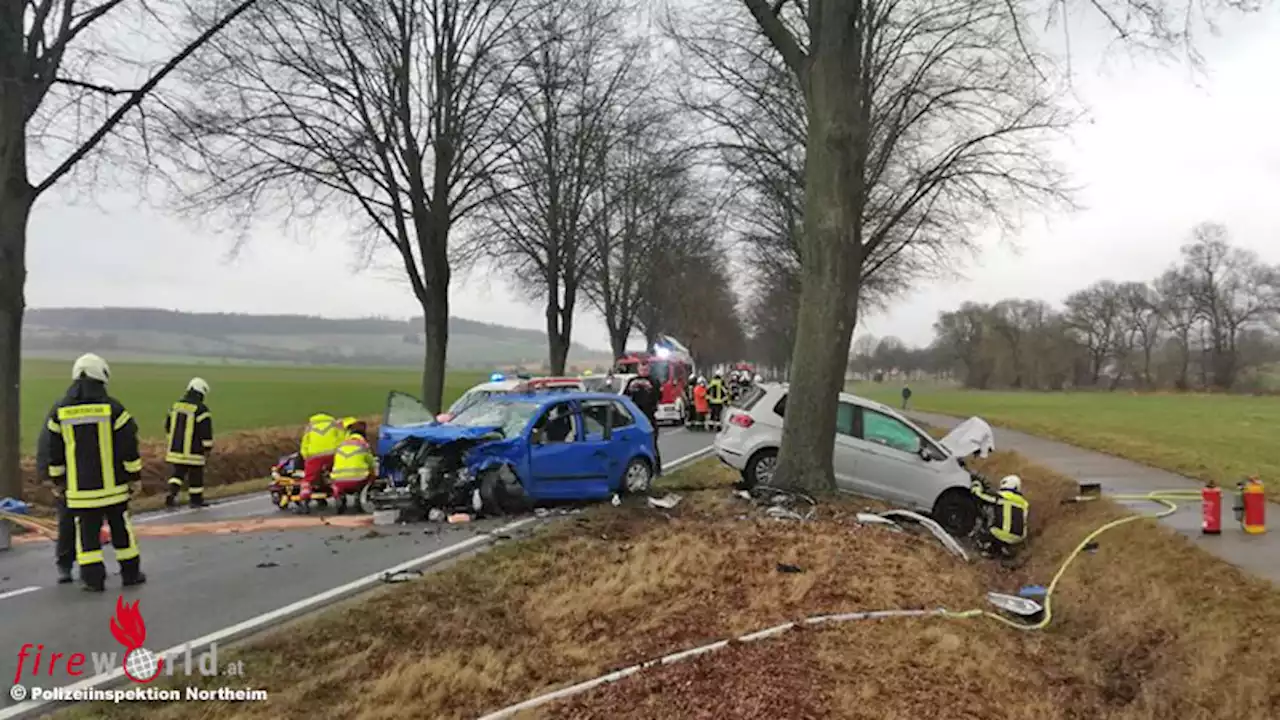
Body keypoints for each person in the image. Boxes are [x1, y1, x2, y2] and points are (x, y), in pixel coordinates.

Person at [36, 354, 146, 592]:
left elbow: (53, 450)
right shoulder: (114, 409)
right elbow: (129, 446)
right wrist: (134, 476)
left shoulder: (61, 411)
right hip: (114, 489)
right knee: (121, 532)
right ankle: (130, 574)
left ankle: (93, 581)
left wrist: (58, 480)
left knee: (87, 536)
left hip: (80, 491)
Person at [164, 378, 214, 508]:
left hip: (176, 449)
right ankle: (196, 500)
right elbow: (205, 431)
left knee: (177, 473)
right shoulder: (201, 409)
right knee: (196, 475)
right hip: (194, 450)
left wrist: (171, 440)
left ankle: (172, 493)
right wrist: (207, 447)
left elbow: (168, 425)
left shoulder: (175, 406)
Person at [971, 474, 1029, 558]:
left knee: (983, 528)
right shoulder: (1024, 503)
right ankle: (1004, 548)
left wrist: (976, 484)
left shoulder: (1001, 496)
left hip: (999, 534)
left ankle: (988, 548)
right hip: (1018, 538)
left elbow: (979, 495)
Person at [297, 412, 344, 511]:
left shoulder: (310, 427)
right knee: (334, 476)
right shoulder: (334, 424)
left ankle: (304, 501)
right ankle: (338, 495)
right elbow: (341, 439)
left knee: (308, 480)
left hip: (314, 456)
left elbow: (304, 444)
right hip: (332, 454)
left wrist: (306, 458)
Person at [329, 419, 376, 514]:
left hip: (338, 480)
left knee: (336, 480)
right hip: (357, 480)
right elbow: (371, 464)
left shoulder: (341, 445)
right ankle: (360, 496)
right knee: (371, 474)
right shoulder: (363, 445)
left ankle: (339, 496)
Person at [625, 375, 661, 472]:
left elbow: (658, 396)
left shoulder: (653, 381)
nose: (644, 370)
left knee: (652, 444)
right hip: (635, 417)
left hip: (649, 417)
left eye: (645, 367)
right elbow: (626, 396)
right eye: (642, 366)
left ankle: (657, 470)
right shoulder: (632, 381)